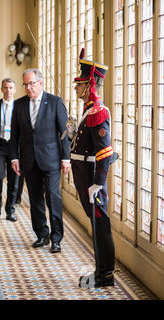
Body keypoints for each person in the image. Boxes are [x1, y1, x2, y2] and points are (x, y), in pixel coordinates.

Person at [10, 69, 71, 254]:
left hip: (51, 159)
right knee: (35, 199)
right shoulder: (19, 104)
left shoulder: (54, 102)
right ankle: (42, 234)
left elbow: (65, 133)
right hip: (29, 160)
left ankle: (56, 238)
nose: (28, 88)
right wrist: (14, 157)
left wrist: (66, 157)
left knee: (53, 198)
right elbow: (14, 134)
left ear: (41, 83)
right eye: (25, 84)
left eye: (32, 84)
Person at [71, 49, 116, 288]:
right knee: (95, 226)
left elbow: (104, 151)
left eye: (79, 84)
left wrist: (97, 183)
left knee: (101, 226)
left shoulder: (98, 112)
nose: (76, 88)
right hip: (84, 176)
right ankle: (100, 271)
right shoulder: (88, 111)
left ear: (90, 85)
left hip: (91, 178)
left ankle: (104, 275)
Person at [0, 78, 24, 221]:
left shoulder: (20, 106)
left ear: (15, 90)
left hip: (15, 147)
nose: (8, 90)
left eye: (11, 88)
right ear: (2, 89)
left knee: (14, 180)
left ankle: (10, 210)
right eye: (6, 87)